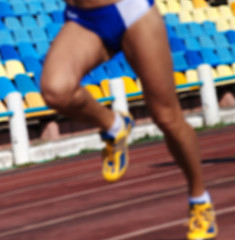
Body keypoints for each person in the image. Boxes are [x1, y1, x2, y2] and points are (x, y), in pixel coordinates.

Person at [40, 0, 217, 239]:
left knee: (166, 117)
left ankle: (199, 199)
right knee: (56, 91)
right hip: (84, 19)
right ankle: (114, 125)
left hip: (133, 12)